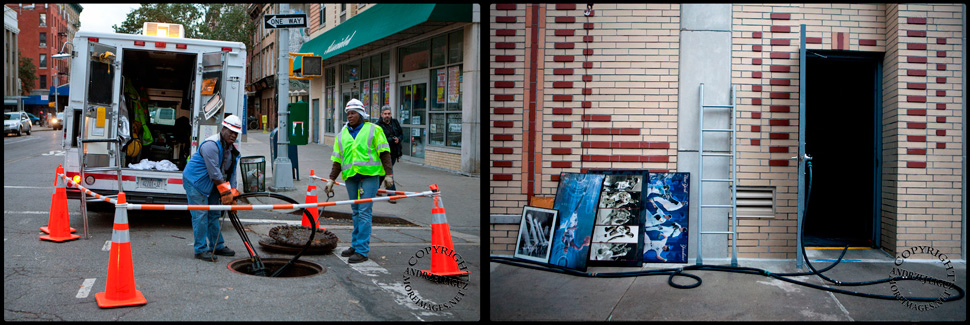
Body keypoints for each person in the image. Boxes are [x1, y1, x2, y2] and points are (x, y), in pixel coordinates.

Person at [324, 99, 393, 264]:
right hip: (351, 178)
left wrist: (389, 174)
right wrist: (331, 179)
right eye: (348, 113)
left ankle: (362, 250)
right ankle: (355, 246)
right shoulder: (342, 135)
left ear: (361, 114)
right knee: (355, 212)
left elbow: (384, 153)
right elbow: (338, 160)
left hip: (370, 176)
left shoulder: (374, 130)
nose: (350, 116)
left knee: (364, 212)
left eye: (353, 113)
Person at [181, 114, 242, 262]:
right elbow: (214, 172)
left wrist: (232, 193)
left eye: (236, 133)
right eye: (231, 131)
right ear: (223, 129)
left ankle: (217, 246)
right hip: (196, 182)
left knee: (214, 214)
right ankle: (200, 249)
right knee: (201, 215)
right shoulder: (211, 145)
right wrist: (225, 192)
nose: (233, 135)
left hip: (213, 183)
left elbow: (231, 172)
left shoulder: (231, 149)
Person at [375, 106, 404, 203]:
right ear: (381, 114)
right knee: (389, 171)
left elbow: (401, 134)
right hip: (384, 153)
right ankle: (391, 194)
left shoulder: (395, 122)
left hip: (395, 152)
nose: (387, 116)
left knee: (383, 172)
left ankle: (375, 189)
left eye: (389, 114)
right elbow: (378, 140)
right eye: (385, 114)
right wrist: (391, 140)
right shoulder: (377, 126)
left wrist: (398, 139)